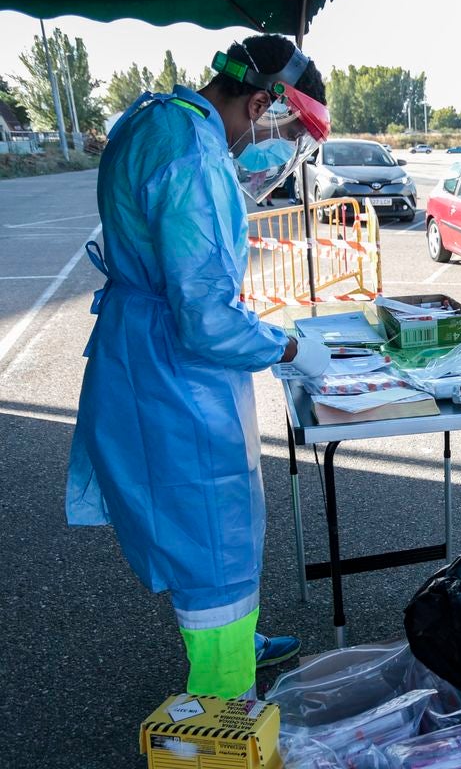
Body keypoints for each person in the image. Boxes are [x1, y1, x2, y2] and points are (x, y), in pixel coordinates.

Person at [65, 35, 333, 699]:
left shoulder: (155, 118)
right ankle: (224, 699)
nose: (281, 148)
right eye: (288, 131)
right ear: (263, 101)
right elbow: (206, 316)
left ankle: (237, 641)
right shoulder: (194, 158)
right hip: (175, 374)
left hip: (146, 353)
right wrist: (289, 348)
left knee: (199, 525)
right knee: (213, 539)